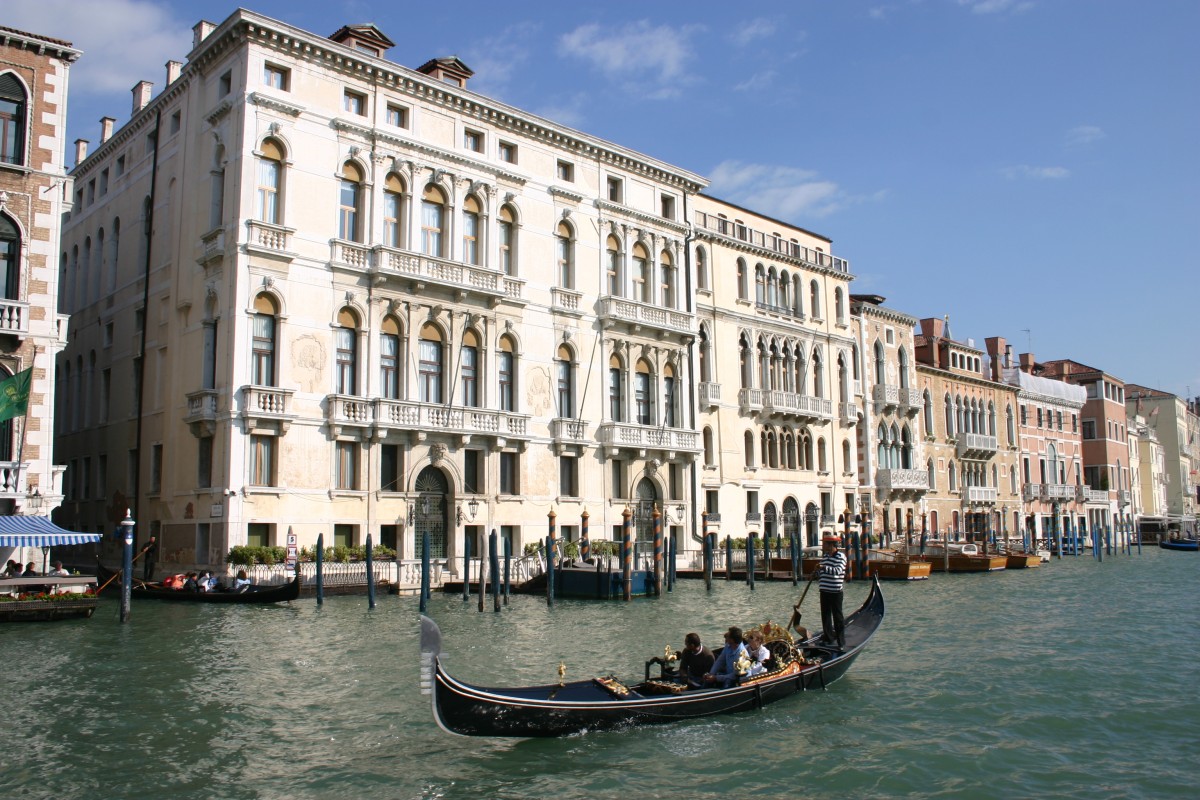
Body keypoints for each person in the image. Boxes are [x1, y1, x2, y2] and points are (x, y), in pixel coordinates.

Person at [818, 535, 848, 649]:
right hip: (824, 590)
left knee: (837, 617)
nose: (823, 545)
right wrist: (818, 573)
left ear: (831, 545)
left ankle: (841, 642)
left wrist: (823, 568)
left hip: (835, 591)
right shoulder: (825, 556)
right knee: (825, 616)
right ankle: (828, 638)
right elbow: (823, 572)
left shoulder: (841, 556)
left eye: (825, 543)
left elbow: (837, 571)